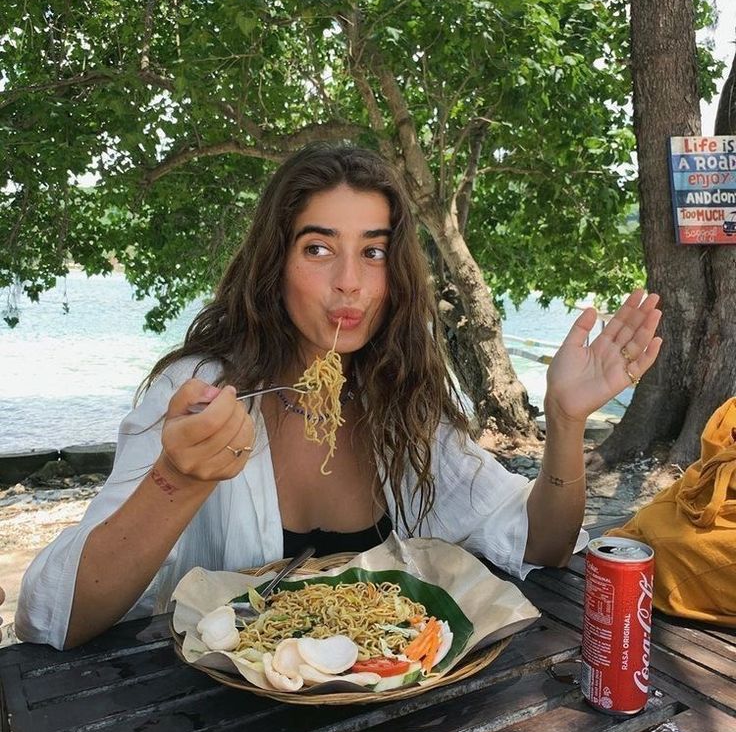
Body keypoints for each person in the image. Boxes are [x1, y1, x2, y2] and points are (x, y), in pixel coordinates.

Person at [16, 144, 662, 649]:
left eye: (373, 252)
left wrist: (566, 420)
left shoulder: (402, 399)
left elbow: (538, 545)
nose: (350, 283)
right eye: (319, 248)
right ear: (275, 262)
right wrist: (174, 481)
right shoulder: (199, 391)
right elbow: (51, 619)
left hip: (400, 699)